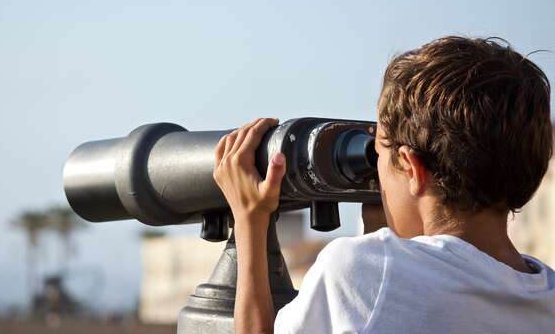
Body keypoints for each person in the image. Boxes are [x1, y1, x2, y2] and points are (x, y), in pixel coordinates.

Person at [212, 36, 555, 333]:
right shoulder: (546, 296)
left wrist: (249, 219)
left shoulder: (364, 271)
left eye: (378, 153)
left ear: (412, 168)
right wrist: (379, 233)